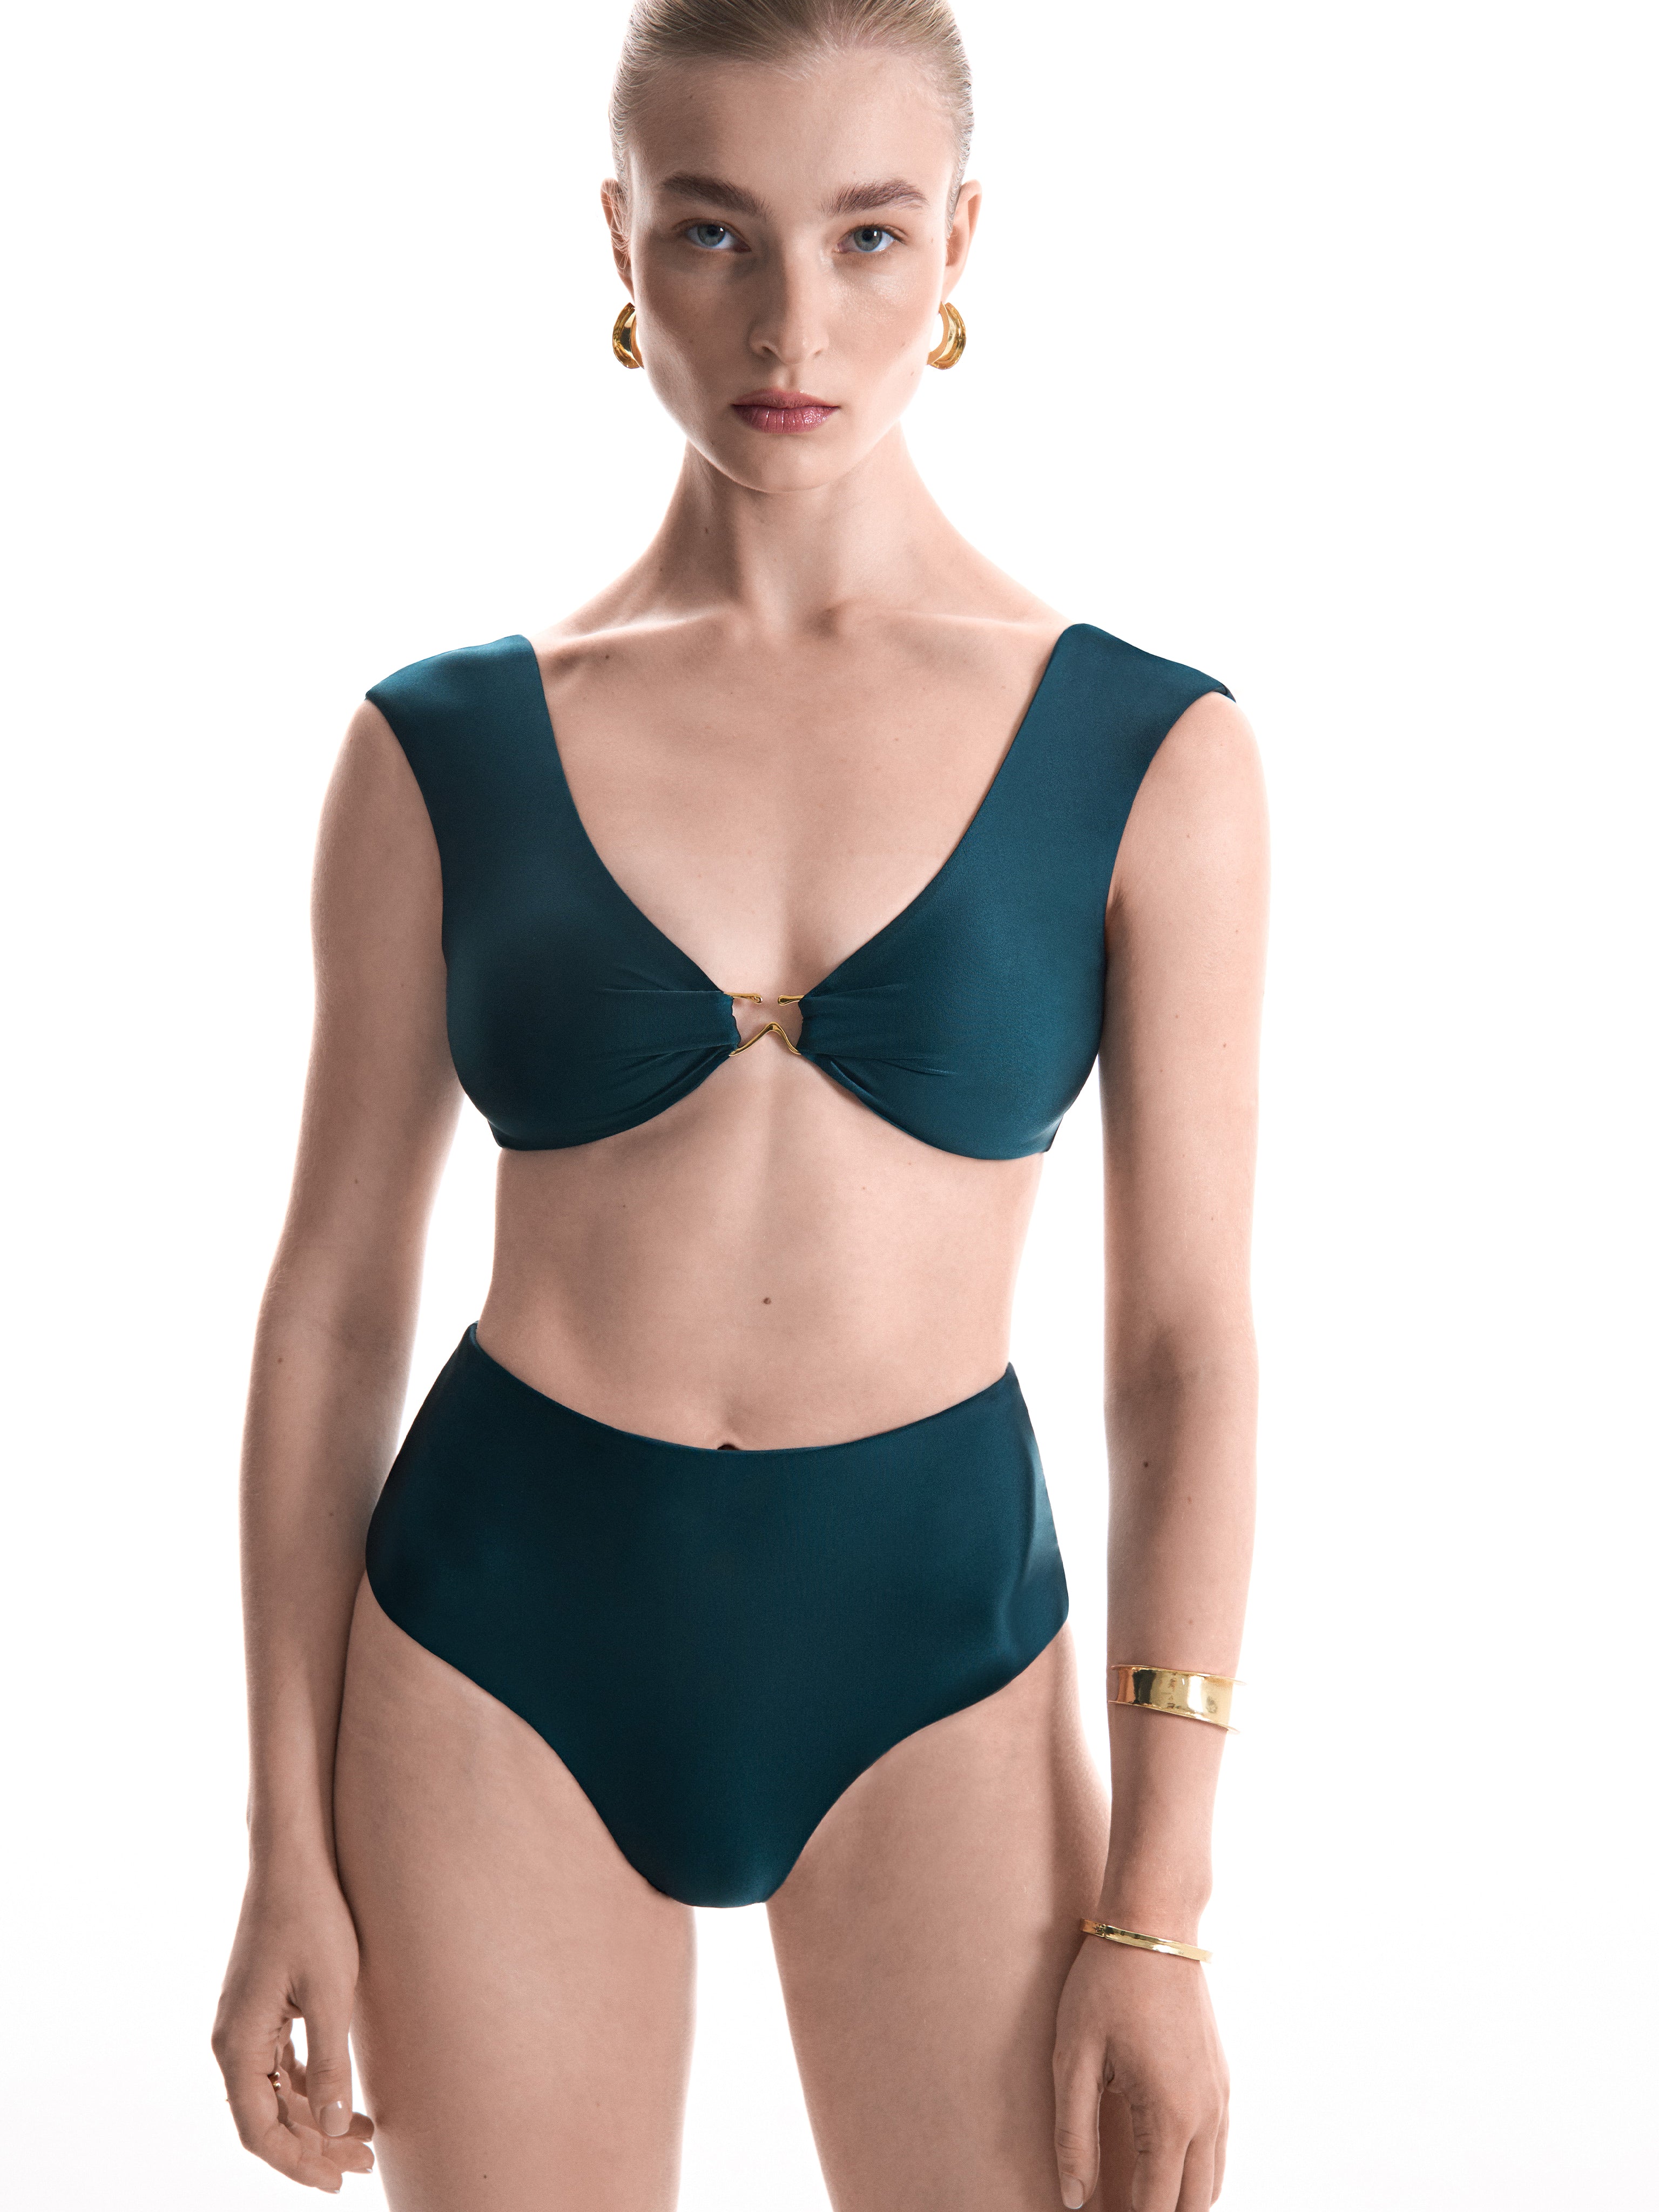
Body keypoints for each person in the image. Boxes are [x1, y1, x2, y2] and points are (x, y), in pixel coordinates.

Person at [211, 3, 1267, 2206]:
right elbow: (328, 1313)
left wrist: (1160, 1914)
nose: (793, 321)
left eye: (866, 234)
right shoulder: (437, 749)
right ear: (619, 241)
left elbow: (1181, 1352)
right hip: (493, 1645)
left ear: (961, 241)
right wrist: (282, 1844)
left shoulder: (1153, 757)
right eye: (715, 232)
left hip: (936, 1656)